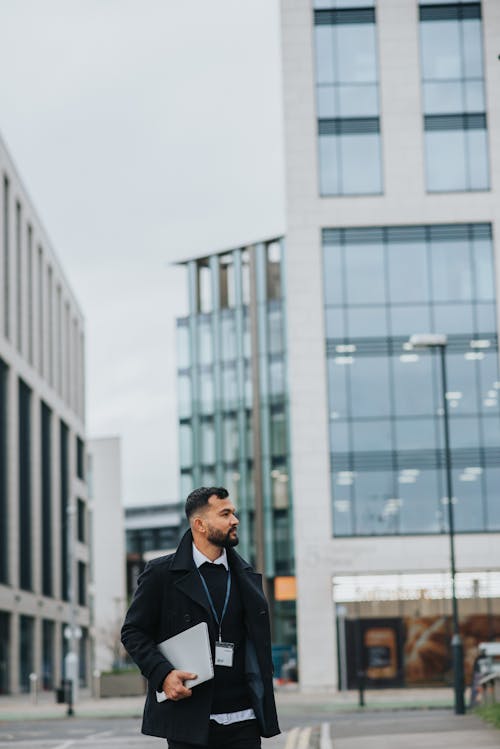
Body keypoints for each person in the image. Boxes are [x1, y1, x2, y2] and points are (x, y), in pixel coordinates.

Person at [121, 486, 280, 748]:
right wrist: (163, 675)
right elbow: (133, 632)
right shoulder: (161, 574)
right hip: (190, 722)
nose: (235, 520)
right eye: (225, 514)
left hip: (245, 720)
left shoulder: (246, 576)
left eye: (233, 513)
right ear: (200, 524)